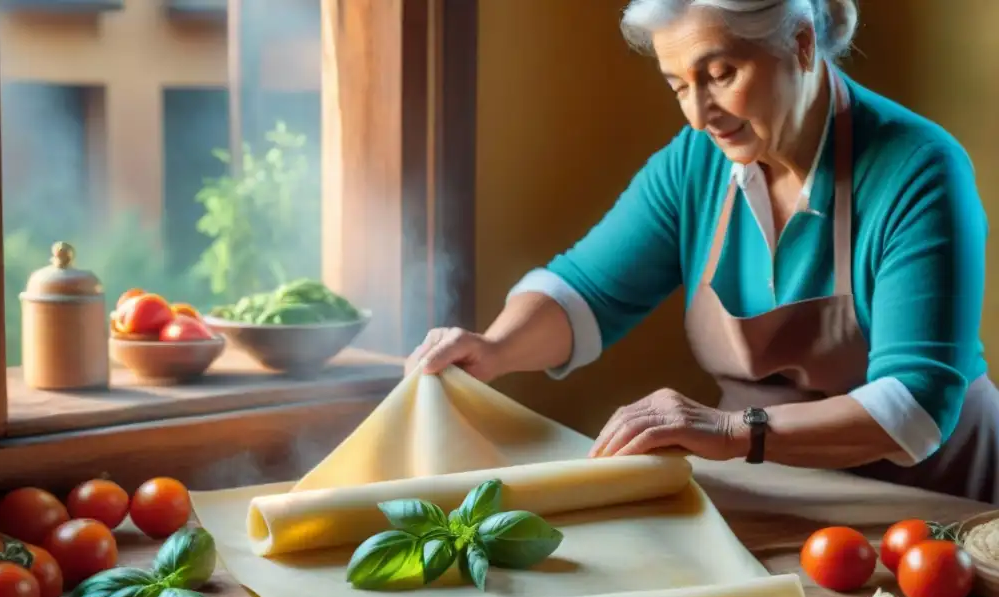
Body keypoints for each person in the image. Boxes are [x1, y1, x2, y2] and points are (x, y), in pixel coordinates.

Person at [405, 0, 999, 504]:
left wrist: (730, 429)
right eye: (679, 86)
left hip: (932, 508)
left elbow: (914, 405)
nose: (698, 114)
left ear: (800, 42)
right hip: (771, 491)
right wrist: (494, 349)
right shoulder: (697, 164)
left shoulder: (917, 170)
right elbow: (586, 290)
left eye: (719, 74)